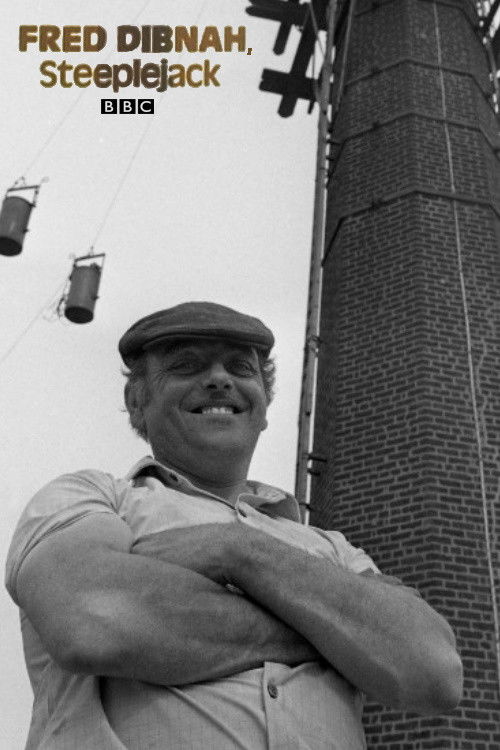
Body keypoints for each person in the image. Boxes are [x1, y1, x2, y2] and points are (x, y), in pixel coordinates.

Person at [6, 301, 463, 750]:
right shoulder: (91, 497)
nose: (219, 379)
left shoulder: (331, 545)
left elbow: (433, 670)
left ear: (264, 404)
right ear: (136, 402)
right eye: (186, 366)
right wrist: (337, 631)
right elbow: (93, 619)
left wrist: (235, 549)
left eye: (241, 368)